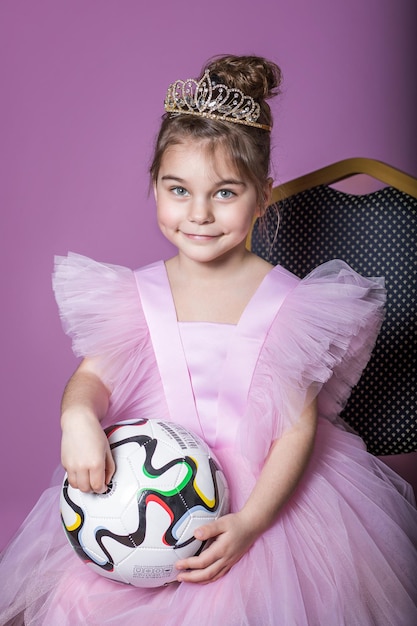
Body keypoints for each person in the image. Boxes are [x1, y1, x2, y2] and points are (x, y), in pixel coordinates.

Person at [1, 54, 416, 626]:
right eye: (178, 190)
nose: (198, 214)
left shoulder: (291, 307)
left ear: (262, 195)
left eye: (225, 193)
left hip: (260, 500)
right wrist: (77, 419)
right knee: (79, 600)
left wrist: (248, 526)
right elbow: (92, 379)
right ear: (154, 187)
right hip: (148, 497)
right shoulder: (136, 296)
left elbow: (297, 428)